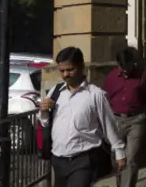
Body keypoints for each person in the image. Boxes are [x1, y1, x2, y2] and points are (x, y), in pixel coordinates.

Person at [39, 47, 126, 187]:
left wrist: (119, 151)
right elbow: (45, 123)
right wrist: (43, 112)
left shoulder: (95, 94)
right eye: (62, 71)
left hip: (84, 159)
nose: (66, 74)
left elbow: (108, 123)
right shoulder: (55, 92)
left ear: (82, 67)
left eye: (70, 69)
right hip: (59, 159)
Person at [103, 48, 146, 187]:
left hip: (136, 120)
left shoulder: (144, 75)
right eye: (122, 66)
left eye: (127, 66)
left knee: (132, 157)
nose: (125, 70)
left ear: (132, 62)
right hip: (116, 120)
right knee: (117, 157)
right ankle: (120, 183)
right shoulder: (111, 77)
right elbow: (104, 100)